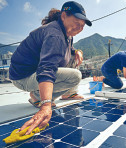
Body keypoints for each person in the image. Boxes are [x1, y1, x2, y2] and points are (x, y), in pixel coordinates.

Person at [9, 1, 92, 135]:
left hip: (34, 72)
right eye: (77, 22)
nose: (80, 28)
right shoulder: (54, 34)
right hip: (23, 77)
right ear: (64, 16)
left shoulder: (67, 34)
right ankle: (37, 96)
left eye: (82, 26)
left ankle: (68, 93)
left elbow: (68, 49)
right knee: (76, 76)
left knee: (73, 58)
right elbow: (46, 68)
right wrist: (46, 105)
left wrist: (77, 51)